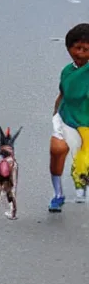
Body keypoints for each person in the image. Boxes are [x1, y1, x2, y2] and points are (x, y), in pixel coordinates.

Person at [47, 23, 89, 212]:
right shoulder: (67, 71)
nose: (80, 53)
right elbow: (62, 93)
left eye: (86, 49)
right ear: (68, 48)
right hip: (66, 117)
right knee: (57, 150)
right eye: (77, 48)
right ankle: (58, 194)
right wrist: (55, 113)